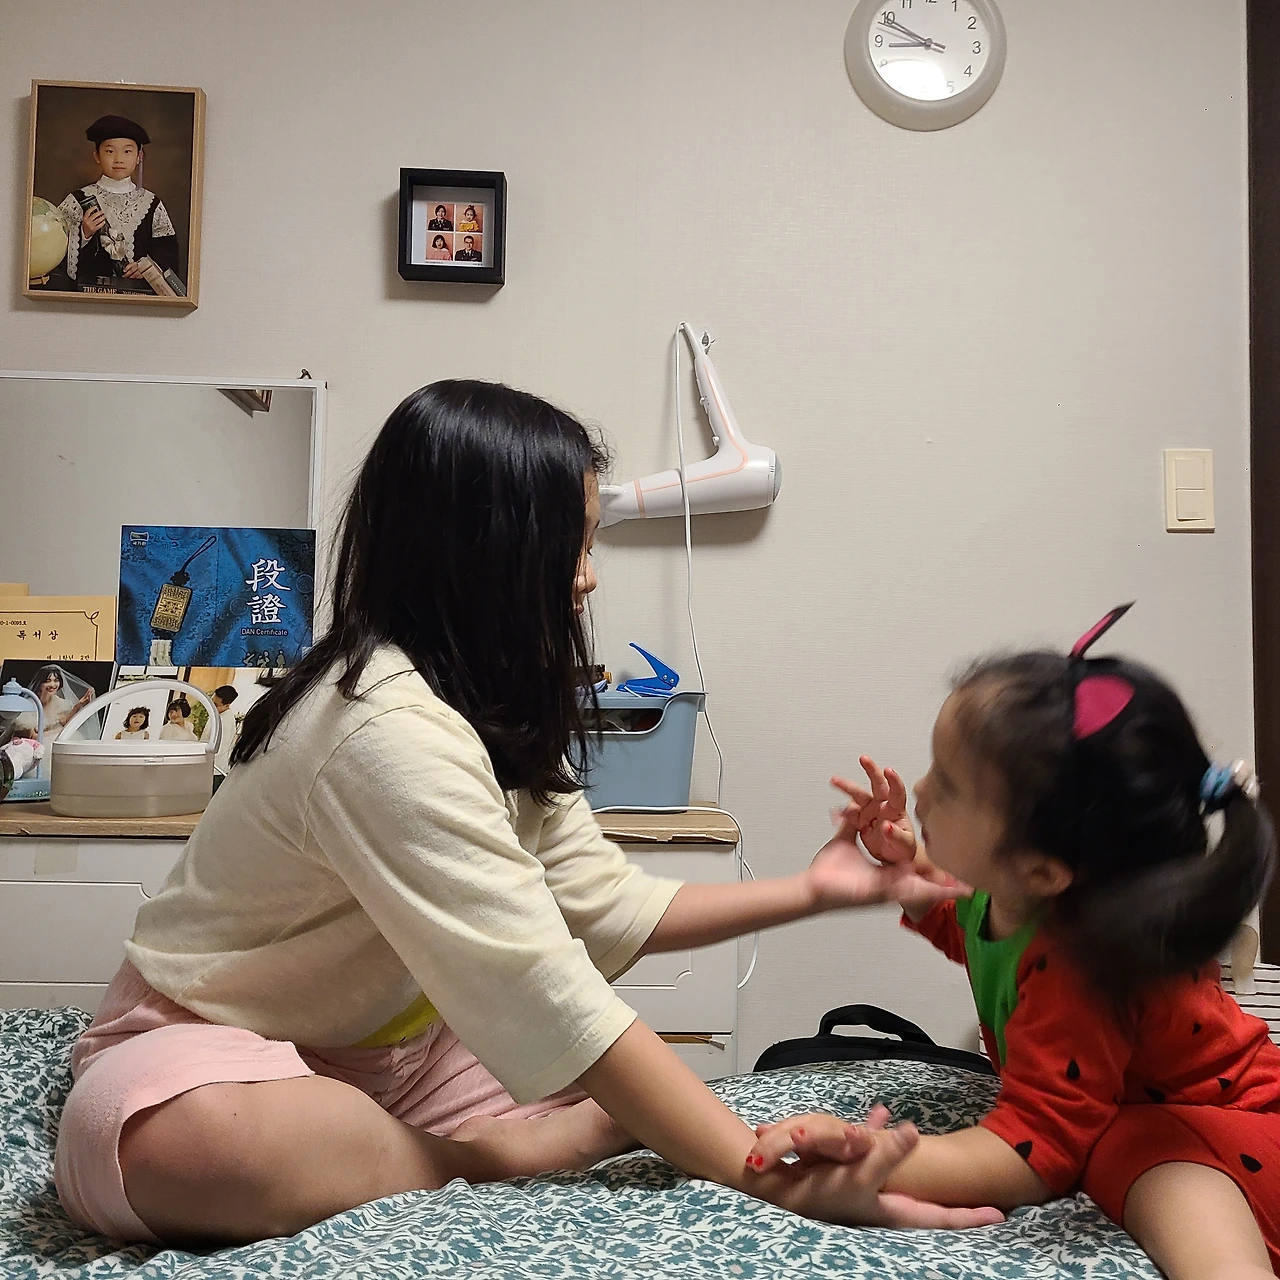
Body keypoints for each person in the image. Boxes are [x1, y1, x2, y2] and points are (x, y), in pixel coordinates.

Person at [53, 380, 999, 1247]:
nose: (588, 577)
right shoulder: (381, 729)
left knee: (619, 1077)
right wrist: (765, 1175)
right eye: (573, 547)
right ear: (488, 553)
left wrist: (820, 890)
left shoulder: (486, 702)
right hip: (220, 1043)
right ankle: (481, 1157)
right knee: (190, 1142)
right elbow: (545, 988)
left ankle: (407, 1147)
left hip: (398, 1061)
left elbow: (601, 907)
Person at [745, 605, 1280, 1278]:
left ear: (1042, 872)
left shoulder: (1081, 966)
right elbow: (969, 929)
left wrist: (876, 1155)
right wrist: (910, 868)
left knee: (1139, 1154)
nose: (920, 790)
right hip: (1165, 1111)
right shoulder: (1019, 893)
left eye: (949, 786)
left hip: (1229, 1130)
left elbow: (1033, 1151)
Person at [56, 115, 181, 293]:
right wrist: (84, 234)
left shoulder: (152, 203)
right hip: (90, 298)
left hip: (139, 299)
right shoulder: (78, 200)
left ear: (139, 156)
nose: (118, 159)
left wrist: (146, 266)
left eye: (127, 151)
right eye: (110, 151)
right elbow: (54, 253)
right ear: (96, 156)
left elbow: (168, 253)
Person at [29, 664, 94, 746]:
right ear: (40, 683)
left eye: (56, 681)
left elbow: (65, 722)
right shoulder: (29, 705)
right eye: (48, 681)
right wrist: (60, 730)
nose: (52, 685)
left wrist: (77, 706)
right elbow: (33, 736)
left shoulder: (61, 703)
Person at [209, 685, 238, 772]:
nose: (212, 706)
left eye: (215, 705)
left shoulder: (226, 722)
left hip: (215, 768)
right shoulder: (217, 713)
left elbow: (219, 748)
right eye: (211, 701)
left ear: (227, 705)